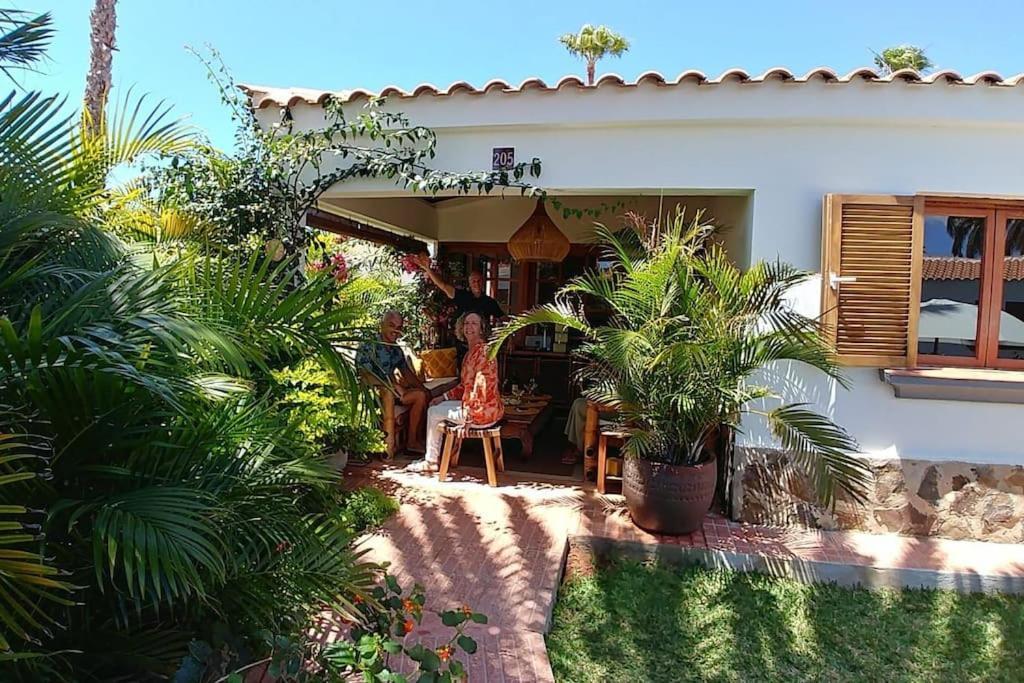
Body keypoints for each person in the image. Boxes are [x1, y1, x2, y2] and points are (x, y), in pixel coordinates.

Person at [414, 312, 505, 473]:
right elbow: (464, 387)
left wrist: (469, 418)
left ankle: (431, 461)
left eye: (474, 324)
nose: (469, 327)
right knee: (437, 405)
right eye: (466, 323)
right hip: (480, 409)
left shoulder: (483, 353)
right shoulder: (471, 354)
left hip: (482, 413)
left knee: (433, 412)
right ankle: (432, 458)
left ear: (482, 329)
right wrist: (442, 397)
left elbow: (481, 387)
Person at [355, 311, 429, 453]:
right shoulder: (368, 345)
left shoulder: (395, 349)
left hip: (393, 392)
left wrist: (424, 389)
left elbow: (406, 372)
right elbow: (363, 375)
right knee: (419, 396)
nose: (396, 330)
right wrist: (391, 384)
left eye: (399, 327)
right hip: (375, 393)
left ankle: (414, 441)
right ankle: (408, 444)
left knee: (422, 395)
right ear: (381, 325)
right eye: (391, 325)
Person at [412, 253, 504, 363]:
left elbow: (503, 319)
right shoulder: (462, 296)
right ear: (469, 283)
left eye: (479, 281)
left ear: (483, 282)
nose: (476, 284)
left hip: (482, 345)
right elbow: (442, 285)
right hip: (462, 344)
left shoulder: (489, 302)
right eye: (473, 281)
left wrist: (508, 338)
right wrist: (427, 269)